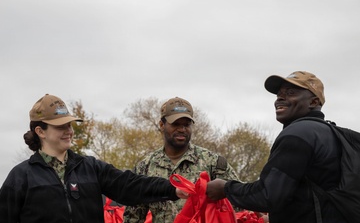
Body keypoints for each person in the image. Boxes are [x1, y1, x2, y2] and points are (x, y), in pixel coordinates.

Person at [0, 94, 188, 223]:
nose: (69, 131)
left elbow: (130, 185)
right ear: (40, 131)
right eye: (60, 127)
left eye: (70, 125)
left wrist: (172, 189)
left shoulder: (90, 167)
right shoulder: (20, 177)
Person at [206, 71, 347, 223]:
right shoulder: (331, 133)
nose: (280, 98)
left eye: (291, 93)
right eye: (279, 94)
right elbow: (310, 197)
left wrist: (225, 188)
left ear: (313, 102)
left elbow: (268, 195)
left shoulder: (298, 134)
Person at [123, 97, 240, 223]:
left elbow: (239, 201)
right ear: (162, 125)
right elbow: (133, 217)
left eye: (186, 124)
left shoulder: (213, 163)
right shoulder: (145, 167)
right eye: (176, 124)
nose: (182, 129)